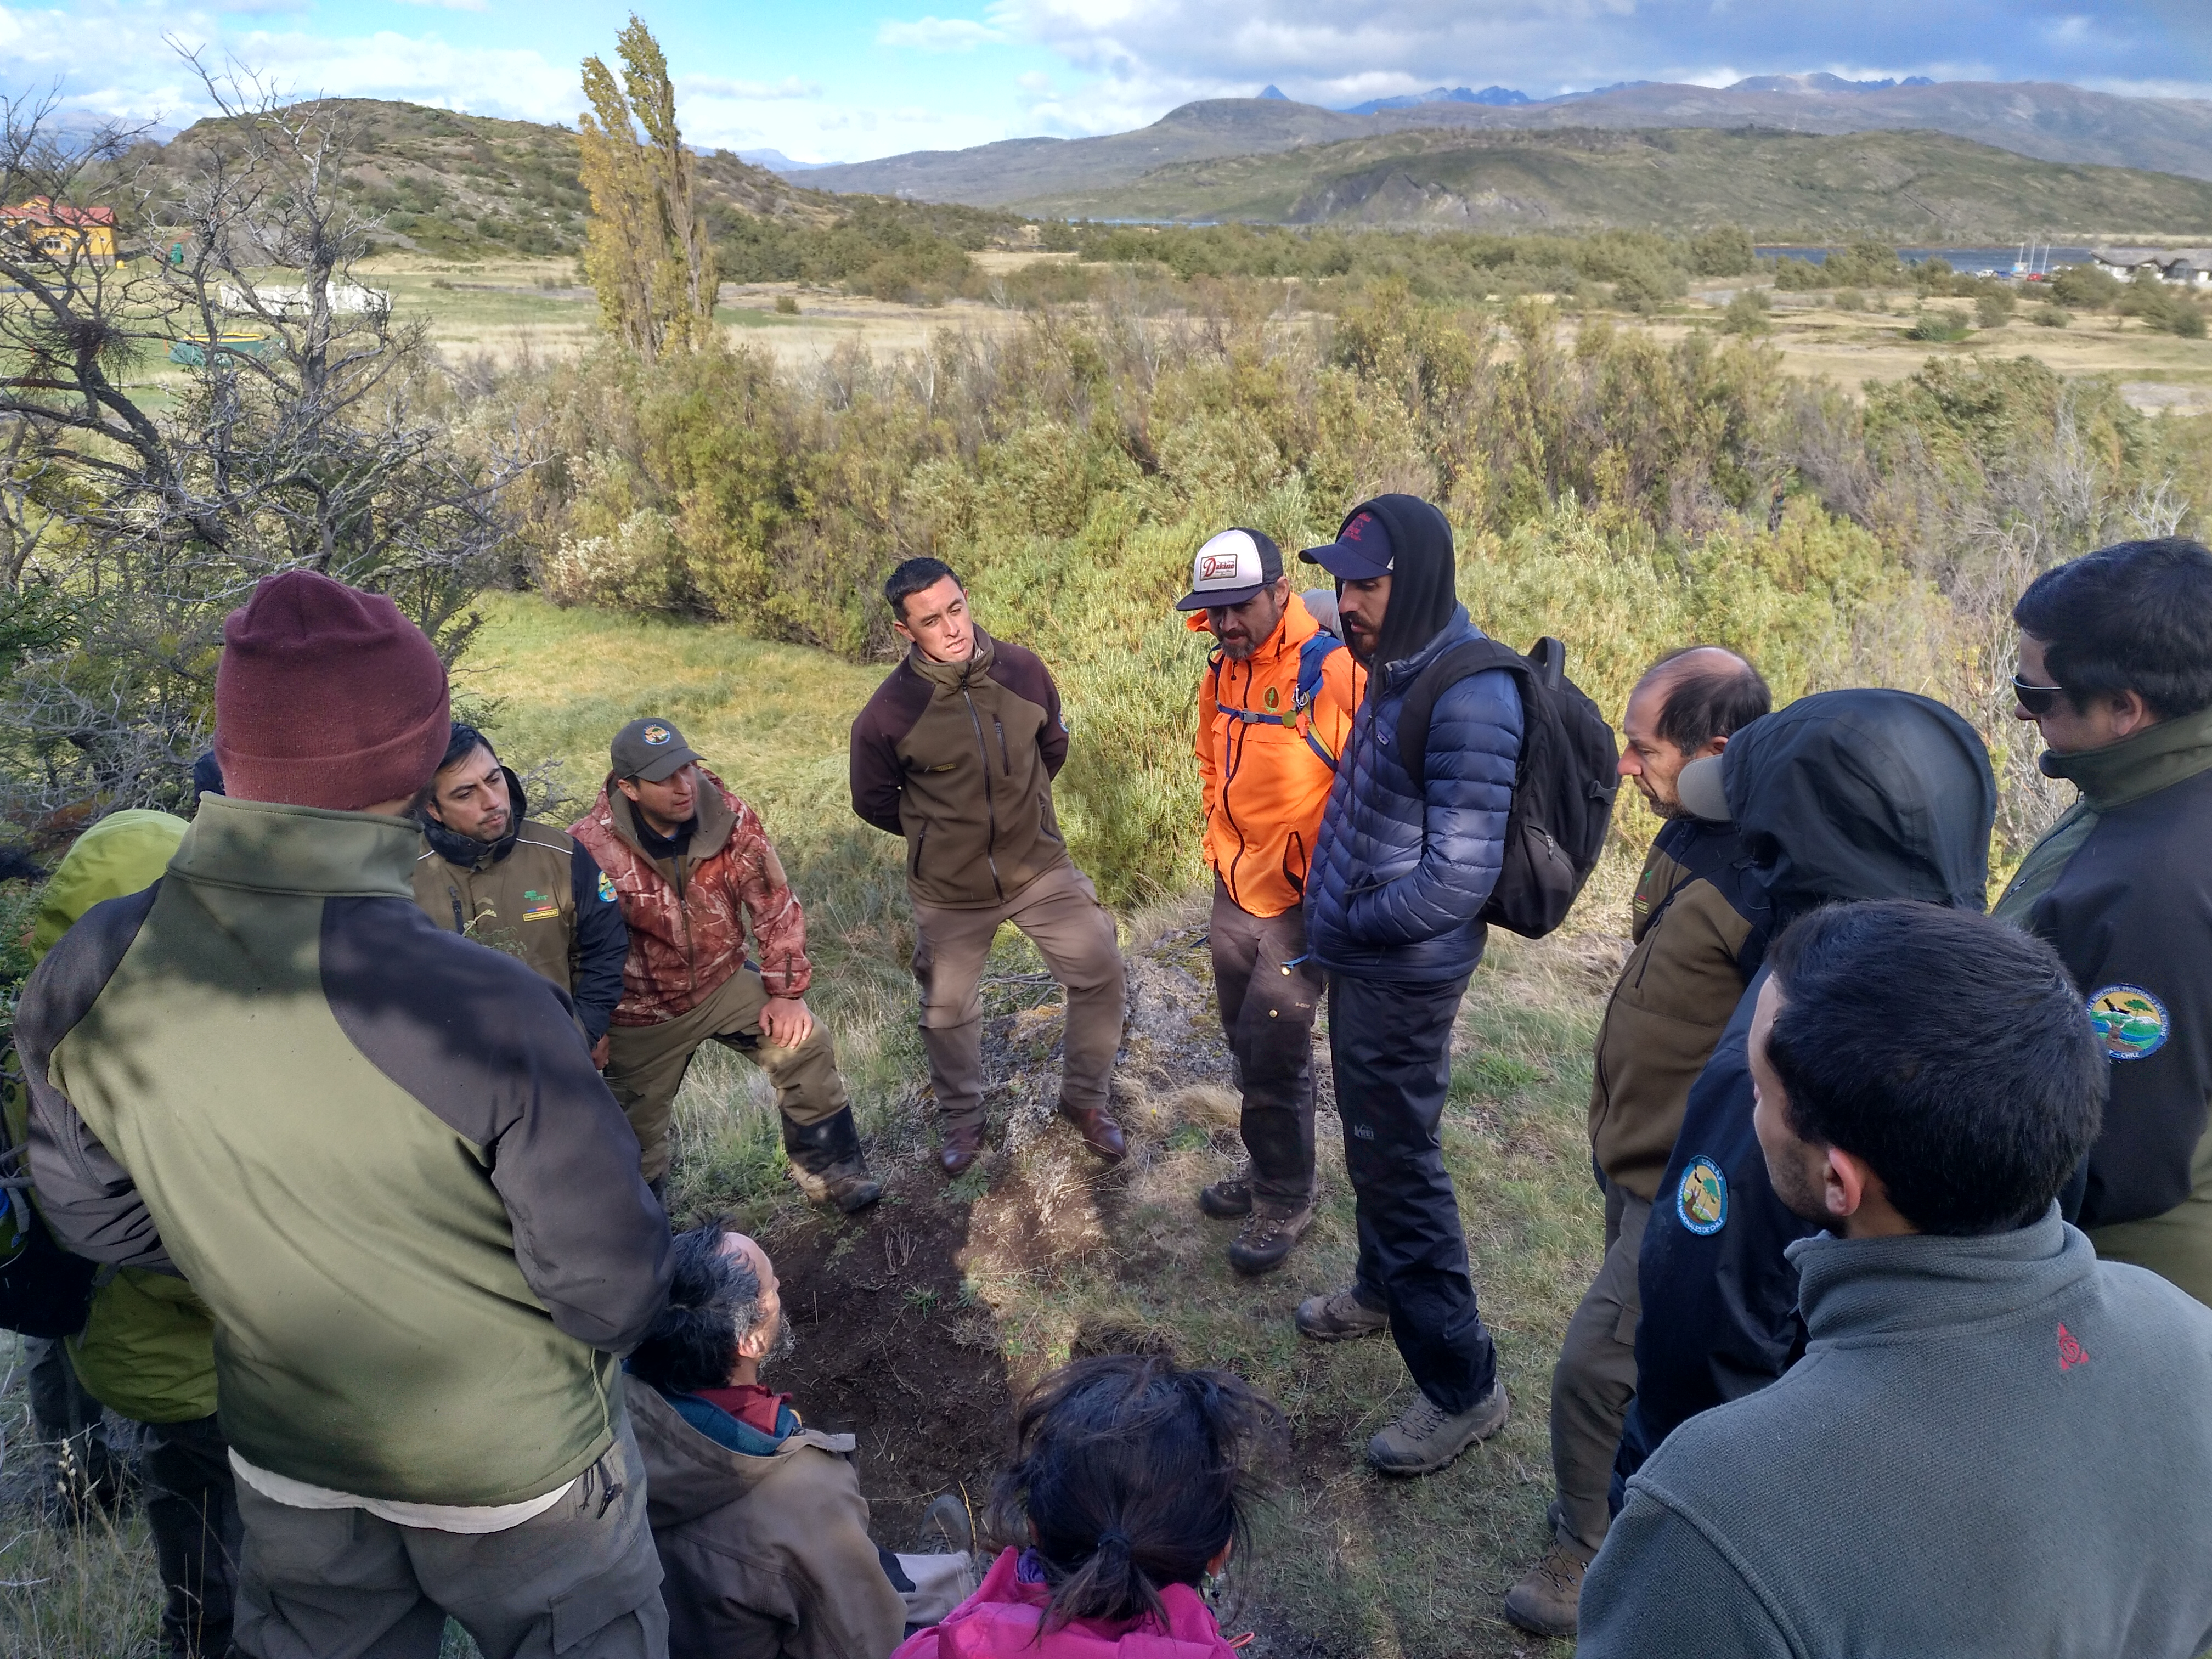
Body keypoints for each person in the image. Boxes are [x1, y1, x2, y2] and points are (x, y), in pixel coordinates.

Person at [22, 570, 674, 1659]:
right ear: (418, 764)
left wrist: (271, 1257)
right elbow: (612, 1290)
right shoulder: (484, 1004)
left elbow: (97, 1220)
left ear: (234, 752)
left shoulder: (90, 967)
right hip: (521, 1470)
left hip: (292, 1466)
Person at [1580, 901, 2212, 1659]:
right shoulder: (2189, 1334)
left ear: (1838, 1181)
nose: (1749, 1108)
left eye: (1758, 1091)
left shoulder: (1720, 1516)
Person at [1613, 688, 1996, 1496]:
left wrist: (1656, 1484)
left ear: (1790, 846)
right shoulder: (2010, 1007)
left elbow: (1706, 1305)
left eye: (1759, 831)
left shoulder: (1785, 1038)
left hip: (1736, 1474)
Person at [1503, 646, 1771, 1638]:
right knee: (1643, 1360)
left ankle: (1590, 1549)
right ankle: (1637, 1498)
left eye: (1642, 746)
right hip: (1630, 1154)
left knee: (1593, 1365)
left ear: (1715, 752)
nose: (1623, 764)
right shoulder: (1689, 832)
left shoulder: (1772, 879)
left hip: (1686, 1185)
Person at [1294, 494, 1521, 1477]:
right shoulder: (1399, 660)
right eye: (1341, 584)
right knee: (1374, 1139)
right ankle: (1381, 1287)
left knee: (1400, 1164)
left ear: (1417, 580)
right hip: (1369, 962)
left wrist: (1348, 921)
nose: (1346, 602)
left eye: (1366, 585)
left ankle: (1464, 1387)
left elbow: (1457, 882)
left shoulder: (1469, 696)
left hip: (1403, 970)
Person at [4, 808, 240, 1658]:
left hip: (127, 1342)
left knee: (192, 1507)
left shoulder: (39, 1031)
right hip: (203, 1348)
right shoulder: (179, 1043)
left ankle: (193, 1629)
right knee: (239, 1518)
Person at [849, 559, 1128, 1176]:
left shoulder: (1022, 671)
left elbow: (1052, 747)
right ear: (904, 631)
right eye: (931, 621)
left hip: (1039, 868)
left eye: (956, 609)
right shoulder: (888, 713)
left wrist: (1027, 815)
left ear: (966, 598)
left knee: (1101, 968)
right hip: (950, 890)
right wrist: (938, 838)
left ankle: (1085, 1101)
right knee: (946, 1011)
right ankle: (964, 1120)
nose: (951, 628)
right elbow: (872, 800)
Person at [1994, 538, 2212, 1306]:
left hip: (2121, 1276)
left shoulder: (2159, 881)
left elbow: (2126, 1153)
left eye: (2037, 693)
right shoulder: (2142, 790)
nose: (2019, 710)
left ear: (2126, 708)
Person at [629, 1223, 977, 1659]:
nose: (779, 1287)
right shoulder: (803, 1494)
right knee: (931, 1610)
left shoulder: (608, 1409)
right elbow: (864, 1643)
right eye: (772, 1286)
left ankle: (948, 1574)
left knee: (882, 1568)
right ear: (750, 1340)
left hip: (675, 1630)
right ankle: (976, 1594)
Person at [574, 718, 880, 1212]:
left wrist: (786, 993)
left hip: (723, 982)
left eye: (687, 768)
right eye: (664, 778)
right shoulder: (587, 848)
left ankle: (834, 1177)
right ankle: (646, 1232)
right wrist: (587, 1027)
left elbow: (773, 900)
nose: (684, 786)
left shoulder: (728, 816)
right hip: (637, 1014)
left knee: (805, 1046)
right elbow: (572, 947)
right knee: (632, 1133)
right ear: (629, 788)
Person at [1180, 527, 1362, 1274]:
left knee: (1274, 1046)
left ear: (1281, 592)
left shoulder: (1334, 670)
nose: (1225, 624)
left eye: (1240, 607)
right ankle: (1268, 1167)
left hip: (1300, 905)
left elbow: (1380, 782)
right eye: (1214, 610)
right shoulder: (1222, 671)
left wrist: (1332, 878)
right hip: (1233, 888)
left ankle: (1286, 1199)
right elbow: (1209, 758)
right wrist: (1218, 838)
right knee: (1244, 1040)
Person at [890, 1353, 1282, 1659]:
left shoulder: (937, 1650)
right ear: (1220, 1555)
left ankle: (939, 1587)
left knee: (904, 1609)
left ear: (1034, 1528)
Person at [413, 721, 628, 1065]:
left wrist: (584, 1031)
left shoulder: (562, 855)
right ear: (432, 808)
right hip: (448, 1066)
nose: (492, 801)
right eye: (465, 794)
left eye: (494, 779)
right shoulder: (400, 876)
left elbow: (604, 948)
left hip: (554, 1056)